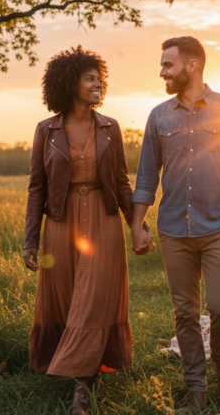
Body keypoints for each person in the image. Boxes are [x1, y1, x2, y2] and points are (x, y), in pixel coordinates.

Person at [129, 36, 220, 413]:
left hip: (219, 225)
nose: (161, 72)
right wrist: (138, 224)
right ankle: (196, 386)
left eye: (167, 65)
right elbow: (145, 177)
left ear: (192, 66)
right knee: (185, 311)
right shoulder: (159, 116)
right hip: (173, 229)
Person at [24, 46, 150, 415]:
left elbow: (122, 183)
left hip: (103, 220)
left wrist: (137, 227)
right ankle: (77, 368)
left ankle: (82, 389)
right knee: (67, 297)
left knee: (93, 300)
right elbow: (37, 187)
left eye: (100, 78)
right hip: (60, 224)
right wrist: (31, 239)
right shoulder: (45, 130)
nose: (98, 84)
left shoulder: (110, 127)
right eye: (89, 78)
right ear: (69, 83)